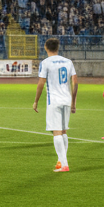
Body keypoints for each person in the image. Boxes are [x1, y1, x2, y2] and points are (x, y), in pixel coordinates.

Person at [33, 37, 77, 173]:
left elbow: (41, 83)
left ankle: (64, 164)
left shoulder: (45, 63)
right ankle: (60, 160)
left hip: (54, 101)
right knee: (63, 131)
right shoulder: (68, 62)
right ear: (58, 48)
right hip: (66, 100)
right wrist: (73, 102)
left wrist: (36, 101)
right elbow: (75, 82)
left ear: (46, 48)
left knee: (56, 132)